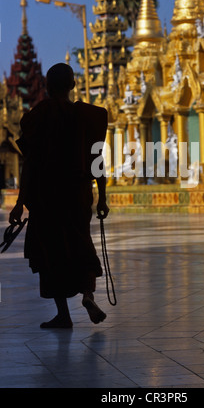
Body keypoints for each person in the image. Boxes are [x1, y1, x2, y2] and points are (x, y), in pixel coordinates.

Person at [9, 63, 109, 329]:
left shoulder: (37, 117)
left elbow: (29, 164)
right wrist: (103, 196)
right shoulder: (87, 116)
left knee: (50, 253)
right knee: (81, 245)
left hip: (46, 197)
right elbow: (97, 159)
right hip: (77, 195)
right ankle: (87, 295)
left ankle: (63, 314)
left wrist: (20, 202)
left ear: (46, 86)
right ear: (73, 86)